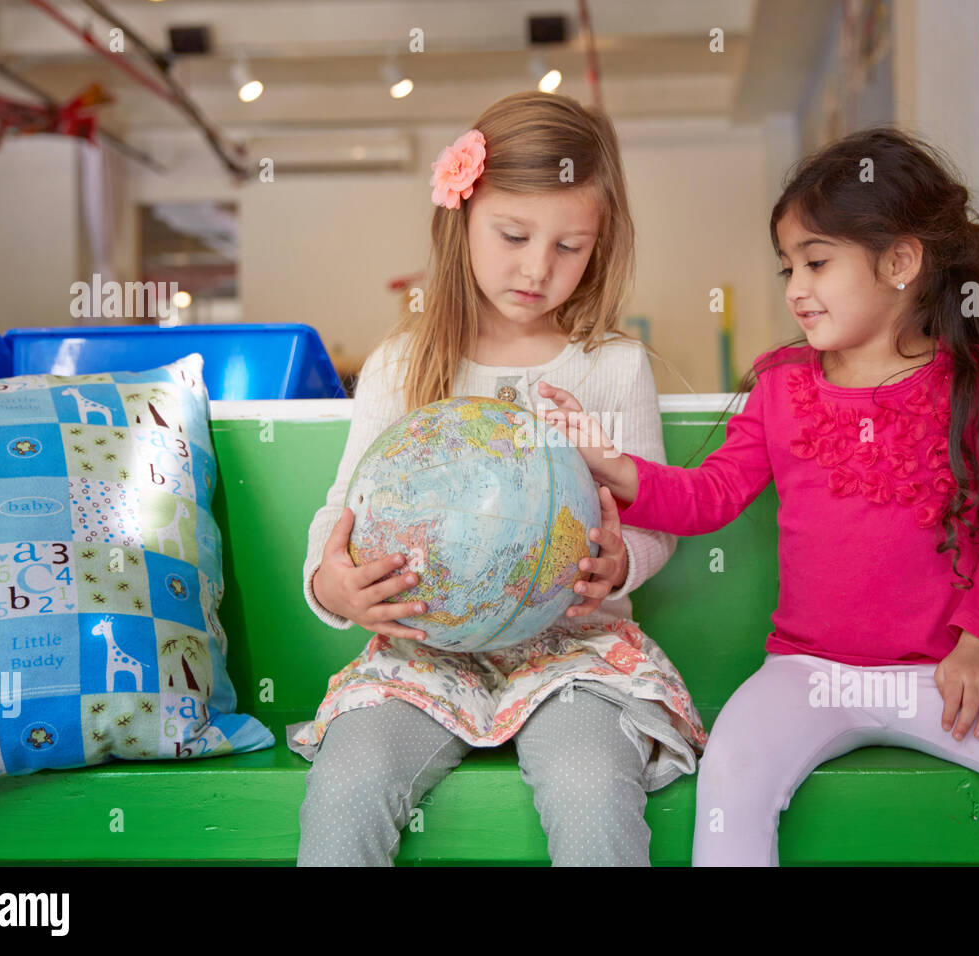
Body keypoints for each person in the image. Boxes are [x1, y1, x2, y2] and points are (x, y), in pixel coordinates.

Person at [538, 127, 979, 866]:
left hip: (943, 675)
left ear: (900, 262)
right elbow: (711, 494)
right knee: (729, 793)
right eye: (787, 266)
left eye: (817, 262)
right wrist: (611, 465)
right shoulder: (782, 384)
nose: (796, 287)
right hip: (803, 673)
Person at [288, 91, 705, 867]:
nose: (537, 268)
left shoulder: (613, 365)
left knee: (590, 788)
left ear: (602, 246)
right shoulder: (403, 366)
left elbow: (653, 520)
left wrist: (624, 562)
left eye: (571, 247)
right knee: (348, 786)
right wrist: (331, 585)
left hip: (575, 651)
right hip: (423, 654)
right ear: (461, 216)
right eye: (513, 234)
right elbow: (341, 513)